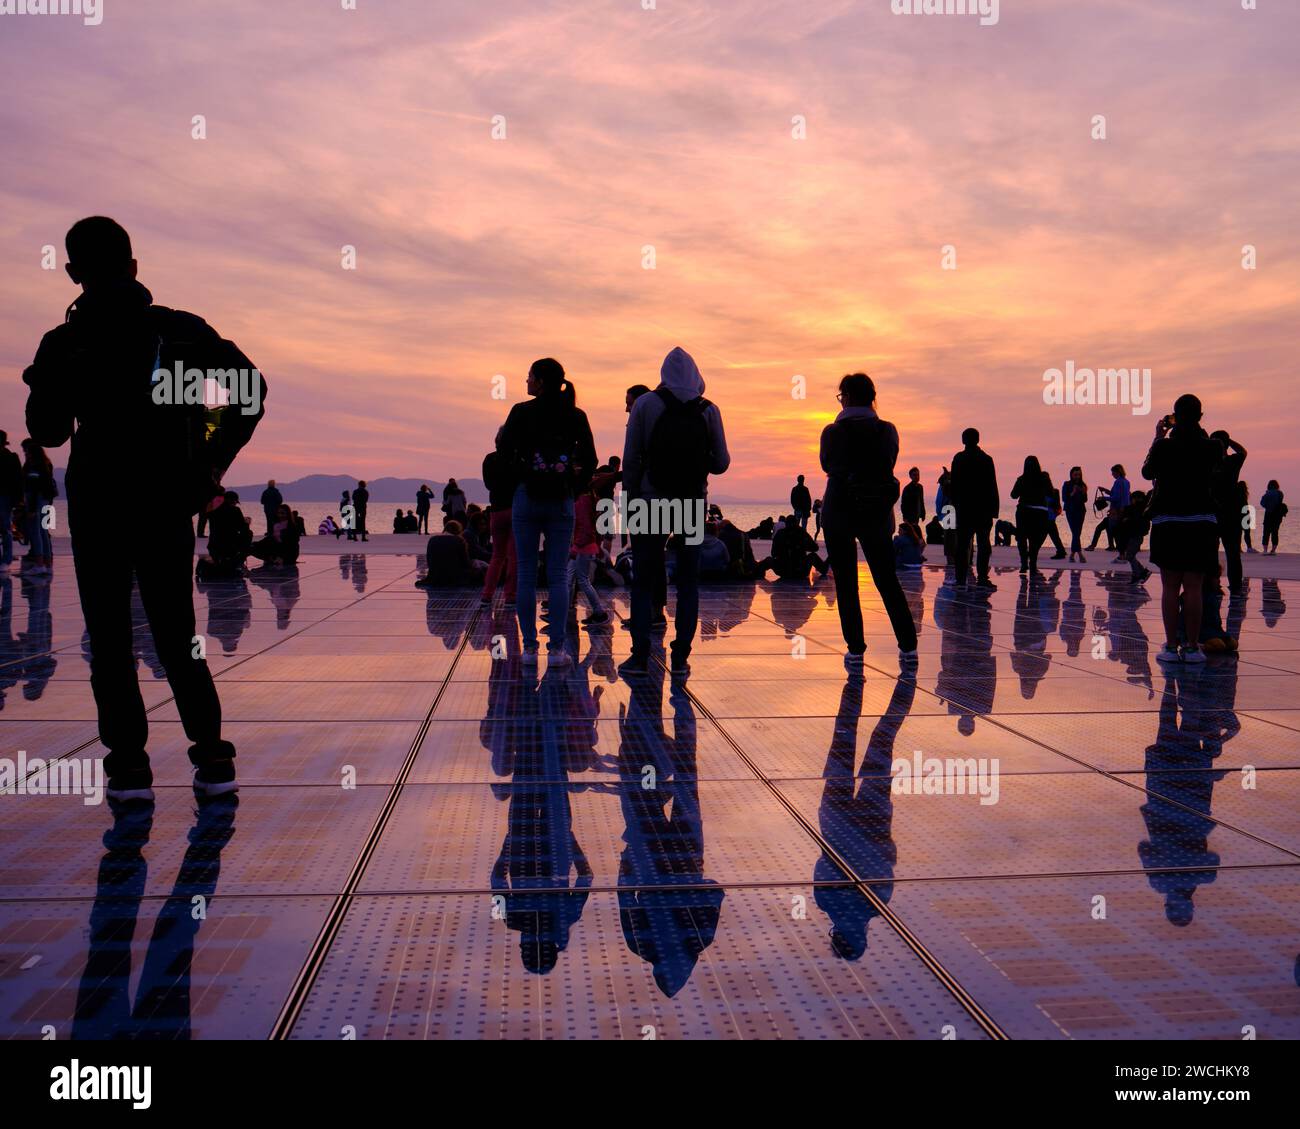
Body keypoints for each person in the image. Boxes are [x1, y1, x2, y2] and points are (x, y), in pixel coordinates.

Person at [22, 216, 264, 799]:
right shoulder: (179, 333)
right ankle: (210, 754)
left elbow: (49, 433)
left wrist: (44, 384)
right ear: (134, 266)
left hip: (100, 500)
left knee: (108, 634)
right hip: (163, 498)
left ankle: (129, 763)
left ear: (73, 273)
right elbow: (249, 393)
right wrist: (209, 463)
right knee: (176, 630)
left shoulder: (66, 343)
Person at [620, 347, 730, 677]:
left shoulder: (645, 404)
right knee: (687, 582)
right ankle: (681, 656)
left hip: (649, 502)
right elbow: (721, 463)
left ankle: (639, 656)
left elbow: (631, 460)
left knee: (643, 581)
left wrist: (631, 502)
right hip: (691, 503)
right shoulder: (709, 409)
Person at [499, 358, 597, 665]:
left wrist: (521, 478)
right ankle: (556, 649)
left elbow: (503, 454)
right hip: (561, 499)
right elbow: (591, 459)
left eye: (529, 377)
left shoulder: (521, 412)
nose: (526, 382)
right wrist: (574, 486)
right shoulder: (575, 415)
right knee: (557, 576)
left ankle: (529, 648)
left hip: (527, 497)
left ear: (540, 381)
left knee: (526, 574)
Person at [818, 372, 918, 664]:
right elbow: (889, 462)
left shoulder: (832, 432)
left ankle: (855, 647)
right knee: (886, 579)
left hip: (839, 511)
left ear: (846, 397)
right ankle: (908, 644)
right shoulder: (887, 430)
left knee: (846, 583)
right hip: (876, 512)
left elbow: (827, 464)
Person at [1142, 395, 1223, 664]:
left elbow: (1146, 472)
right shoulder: (1212, 446)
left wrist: (1158, 436)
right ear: (1200, 416)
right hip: (1201, 523)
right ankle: (1191, 646)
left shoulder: (1164, 447)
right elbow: (1217, 470)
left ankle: (1170, 646)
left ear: (1174, 416)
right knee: (1194, 587)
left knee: (1170, 586)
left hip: (1169, 523)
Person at [948, 428, 999, 589]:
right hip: (983, 510)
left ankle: (961, 579)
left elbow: (954, 485)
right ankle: (982, 578)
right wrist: (994, 509)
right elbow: (992, 485)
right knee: (983, 544)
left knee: (962, 545)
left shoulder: (959, 458)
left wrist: (954, 503)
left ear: (964, 440)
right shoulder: (986, 459)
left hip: (964, 509)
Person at [480, 427, 519, 607]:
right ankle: (510, 595)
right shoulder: (516, 459)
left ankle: (487, 594)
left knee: (497, 556)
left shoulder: (489, 459)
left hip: (496, 510)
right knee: (514, 556)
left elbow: (488, 484)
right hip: (515, 509)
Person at [1209, 430, 1247, 593]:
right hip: (1229, 513)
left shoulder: (1208, 464)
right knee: (1232, 554)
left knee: (1211, 553)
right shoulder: (1232, 462)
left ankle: (1214, 585)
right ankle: (1235, 587)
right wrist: (1228, 441)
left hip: (1213, 513)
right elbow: (1242, 451)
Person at [569, 477, 610, 627]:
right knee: (570, 579)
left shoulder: (582, 502)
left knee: (582, 580)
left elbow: (584, 528)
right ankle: (561, 612)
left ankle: (600, 613)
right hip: (583, 546)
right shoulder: (590, 500)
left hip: (582, 547)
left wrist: (575, 546)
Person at [1010, 455, 1054, 576]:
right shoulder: (1044, 477)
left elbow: (1013, 495)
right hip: (1040, 512)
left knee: (1022, 538)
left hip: (1023, 511)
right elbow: (1051, 492)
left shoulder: (1021, 479)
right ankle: (1033, 564)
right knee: (1035, 539)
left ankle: (1024, 563)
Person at [19, 440, 57, 575]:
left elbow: (34, 489)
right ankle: (47, 563)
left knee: (36, 533)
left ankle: (39, 563)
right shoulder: (46, 465)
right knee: (44, 532)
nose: (25, 454)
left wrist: (31, 509)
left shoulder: (34, 467)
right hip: (46, 502)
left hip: (36, 503)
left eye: (27, 451)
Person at [417, 518, 489, 587]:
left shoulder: (432, 539)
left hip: (435, 576)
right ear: (458, 531)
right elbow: (465, 563)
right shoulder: (459, 540)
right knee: (481, 572)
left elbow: (429, 560)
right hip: (454, 576)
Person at [199, 490, 252, 576]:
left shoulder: (213, 511)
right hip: (230, 546)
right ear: (234, 501)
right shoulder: (235, 510)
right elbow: (243, 529)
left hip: (213, 546)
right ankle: (239, 562)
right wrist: (247, 523)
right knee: (249, 534)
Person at [758, 516, 826, 580]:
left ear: (786, 524)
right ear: (796, 523)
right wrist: (801, 547)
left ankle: (756, 571)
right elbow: (815, 548)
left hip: (783, 571)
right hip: (801, 571)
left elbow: (773, 553)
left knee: (769, 559)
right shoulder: (801, 532)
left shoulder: (780, 533)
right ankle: (824, 569)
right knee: (813, 556)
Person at [1090, 465, 1131, 558]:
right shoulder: (1127, 482)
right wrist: (1105, 490)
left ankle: (1121, 553)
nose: (1112, 474)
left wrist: (1103, 497)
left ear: (1117, 472)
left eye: (1113, 472)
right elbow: (1120, 496)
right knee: (1116, 530)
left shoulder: (1118, 482)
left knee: (1114, 531)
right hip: (1125, 510)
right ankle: (1117, 548)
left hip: (1116, 511)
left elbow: (1116, 498)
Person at [1116, 490, 1152, 584]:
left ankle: (1139, 573)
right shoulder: (1139, 509)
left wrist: (1127, 519)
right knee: (1130, 555)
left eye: (1133, 498)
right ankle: (1141, 573)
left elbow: (1136, 521)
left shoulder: (1139, 510)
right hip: (1134, 535)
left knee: (1129, 556)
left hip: (1136, 535)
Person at [0, 432, 20, 571]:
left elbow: (18, 479)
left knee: (5, 528)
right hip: (6, 497)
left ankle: (6, 560)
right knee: (5, 528)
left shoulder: (11, 458)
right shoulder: (12, 457)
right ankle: (5, 560)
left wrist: (17, 499)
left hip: (6, 497)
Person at [1062, 466, 1088, 562]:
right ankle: (1079, 554)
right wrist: (1073, 492)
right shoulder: (1067, 484)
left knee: (1077, 532)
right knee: (1075, 532)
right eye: (1075, 474)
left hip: (1081, 510)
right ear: (1071, 475)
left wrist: (1082, 491)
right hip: (1070, 510)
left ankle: (1073, 554)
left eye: (1079, 474)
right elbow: (1064, 498)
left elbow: (1085, 500)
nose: (1077, 476)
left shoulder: (1083, 485)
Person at [1261, 480, 1286, 555]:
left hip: (1268, 514)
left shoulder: (1267, 494)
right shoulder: (1280, 493)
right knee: (1275, 532)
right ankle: (1273, 550)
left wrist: (1268, 506)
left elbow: (1262, 503)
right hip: (1277, 515)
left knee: (1266, 532)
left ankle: (1265, 550)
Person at [900, 466, 925, 536]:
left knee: (915, 532)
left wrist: (923, 514)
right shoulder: (907, 488)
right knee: (910, 534)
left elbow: (921, 501)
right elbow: (903, 504)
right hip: (909, 516)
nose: (917, 476)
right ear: (910, 476)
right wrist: (905, 517)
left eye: (918, 474)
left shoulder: (920, 487)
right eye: (914, 475)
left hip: (917, 515)